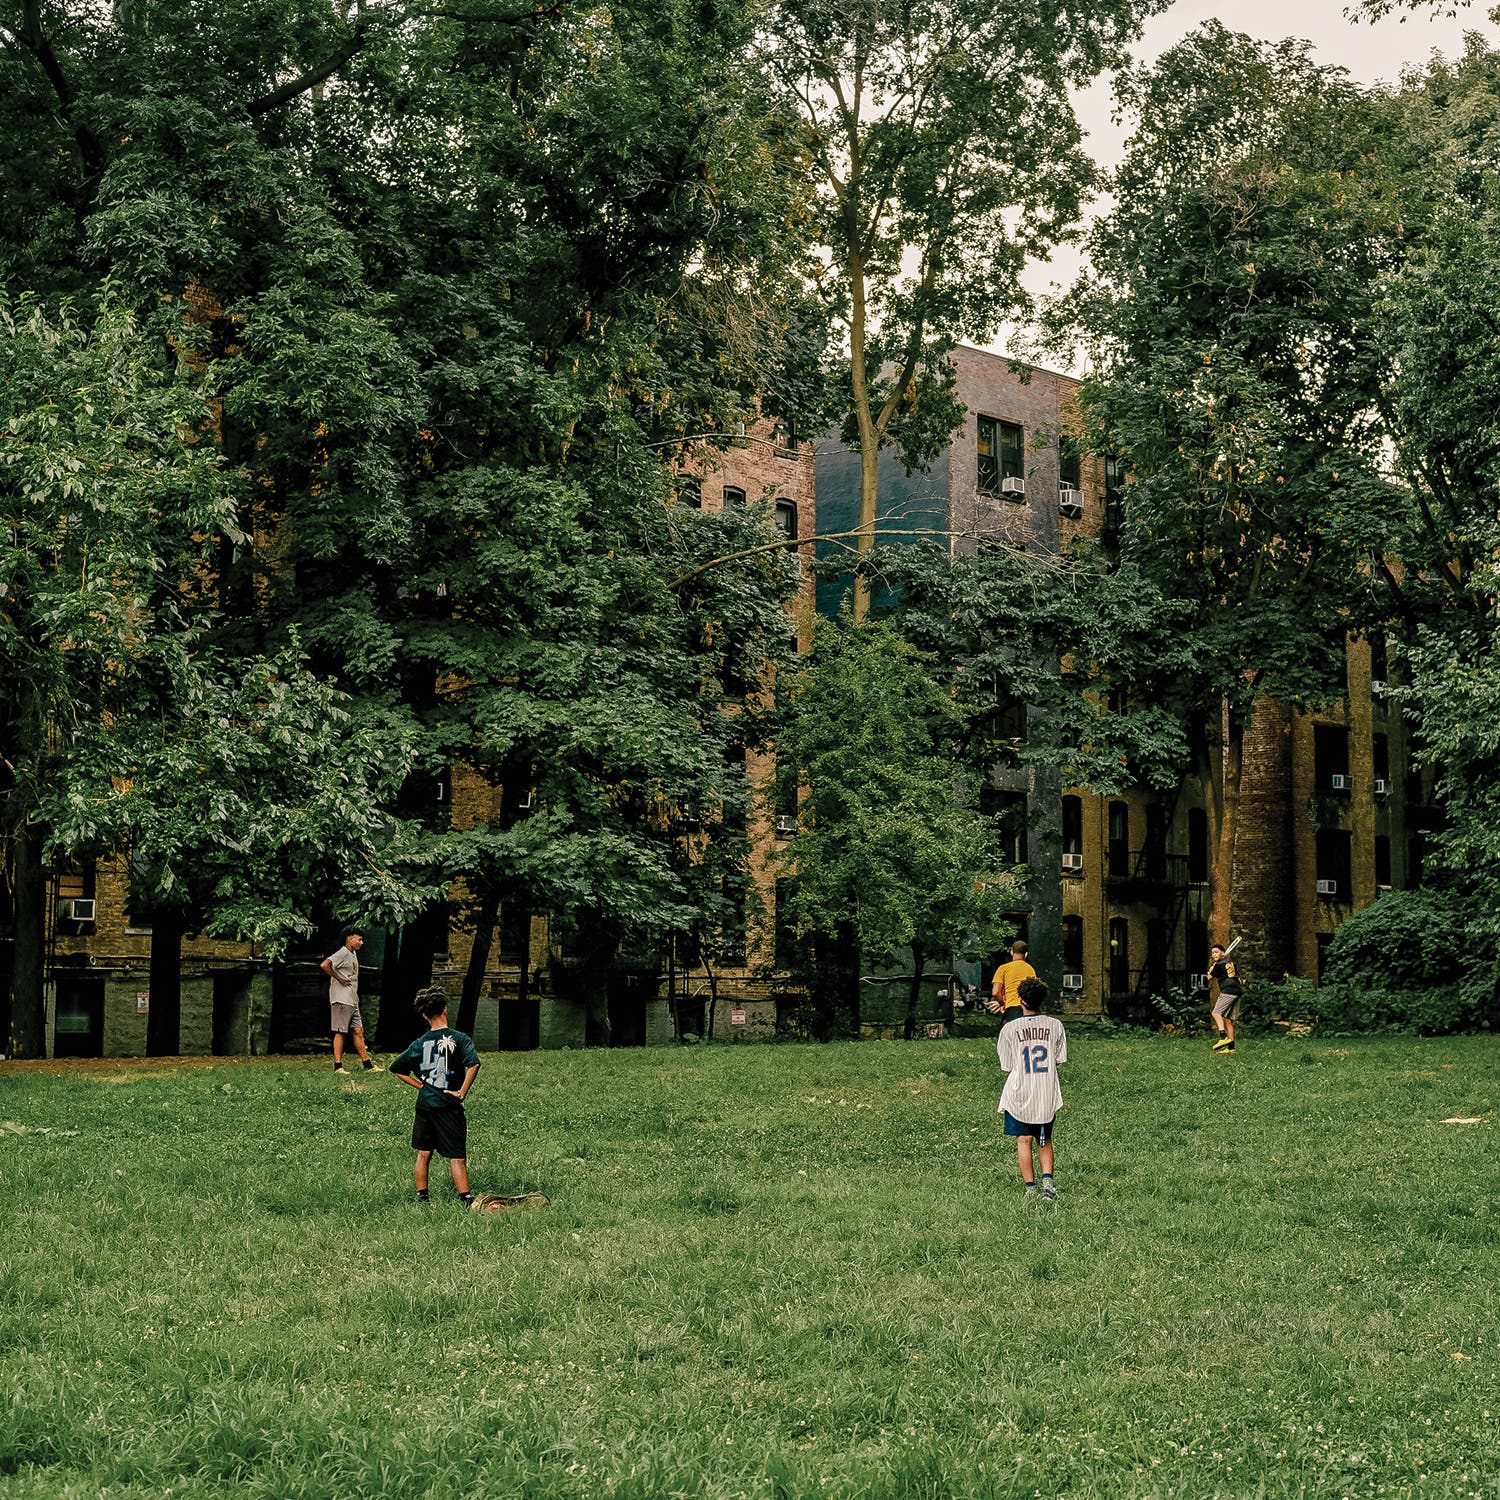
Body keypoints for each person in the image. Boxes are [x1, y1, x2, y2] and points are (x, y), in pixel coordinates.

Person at [389, 986, 482, 1206]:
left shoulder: (418, 1044)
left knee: (424, 1153)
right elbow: (474, 1064)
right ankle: (466, 1199)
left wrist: (420, 1085)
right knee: (457, 1155)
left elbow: (396, 1068)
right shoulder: (459, 1038)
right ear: (445, 1010)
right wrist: (462, 1092)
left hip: (425, 1105)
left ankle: (423, 1198)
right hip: (448, 1105)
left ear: (424, 1015)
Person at [996, 977, 1067, 1201]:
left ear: (1020, 1000)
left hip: (1019, 1092)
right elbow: (1058, 1058)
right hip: (1046, 1093)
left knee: (1023, 1140)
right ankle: (1049, 1186)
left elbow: (1007, 1065)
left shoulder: (1010, 1029)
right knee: (1044, 1140)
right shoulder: (1055, 1025)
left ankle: (1030, 1188)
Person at [321, 927, 381, 1073]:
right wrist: (339, 979)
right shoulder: (342, 953)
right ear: (349, 938)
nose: (362, 942)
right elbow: (324, 964)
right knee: (340, 1031)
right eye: (359, 939)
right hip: (341, 999)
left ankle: (368, 1065)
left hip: (352, 999)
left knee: (358, 1030)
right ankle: (338, 1066)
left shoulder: (352, 954)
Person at [987, 939, 1037, 1021]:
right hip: (1027, 1009)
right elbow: (1034, 991)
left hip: (1011, 1008)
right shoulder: (1030, 969)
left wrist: (1002, 1003)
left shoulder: (1003, 968)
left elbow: (995, 992)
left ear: (1011, 952)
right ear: (1026, 954)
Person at [1207, 943, 1242, 1054]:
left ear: (1223, 953)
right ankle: (1231, 1048)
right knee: (1228, 1020)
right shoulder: (1230, 962)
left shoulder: (1218, 964)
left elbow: (1209, 977)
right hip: (1238, 990)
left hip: (1228, 990)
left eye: (1216, 952)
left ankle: (1223, 1038)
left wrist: (1211, 968)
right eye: (1212, 953)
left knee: (1216, 1013)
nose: (1214, 954)